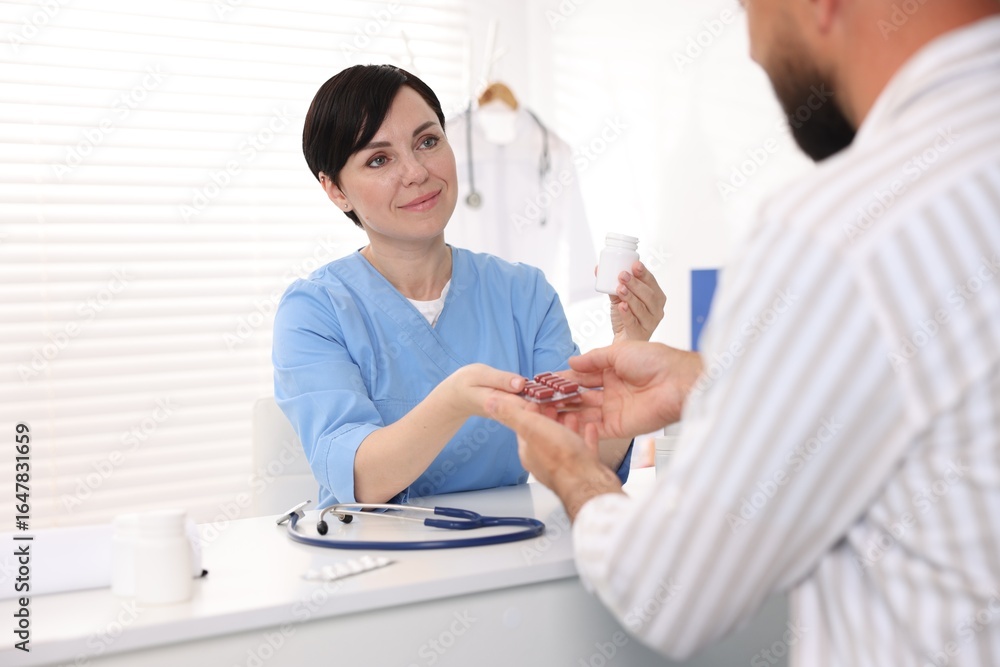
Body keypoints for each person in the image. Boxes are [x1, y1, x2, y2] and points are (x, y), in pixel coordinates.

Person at [486, 1, 1000, 664]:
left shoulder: (840, 230)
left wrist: (571, 470)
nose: (753, 50)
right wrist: (722, 384)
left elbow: (673, 586)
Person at [271, 65, 665, 508]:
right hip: (373, 565)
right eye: (379, 159)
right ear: (335, 190)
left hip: (507, 553)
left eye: (428, 141)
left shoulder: (524, 295)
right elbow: (361, 477)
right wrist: (454, 402)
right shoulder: (315, 311)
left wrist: (628, 349)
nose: (417, 172)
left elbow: (579, 456)